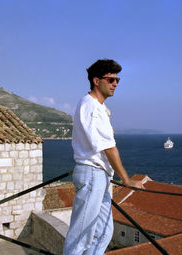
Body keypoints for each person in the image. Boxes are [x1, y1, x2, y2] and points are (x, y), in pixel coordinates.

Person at [63, 59, 144, 255]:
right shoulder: (92, 108)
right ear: (96, 81)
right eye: (111, 79)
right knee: (81, 235)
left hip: (99, 176)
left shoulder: (94, 106)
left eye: (118, 80)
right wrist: (126, 180)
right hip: (93, 174)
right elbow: (109, 148)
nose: (115, 84)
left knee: (103, 232)